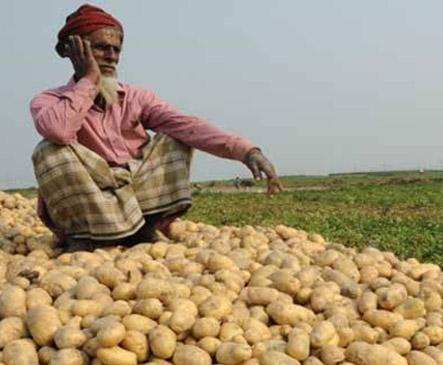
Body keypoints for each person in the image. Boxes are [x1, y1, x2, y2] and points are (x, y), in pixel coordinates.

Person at [30, 4, 283, 251]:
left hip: (137, 192)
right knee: (49, 150)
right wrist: (88, 80)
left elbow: (188, 126)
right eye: (100, 48)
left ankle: (142, 229)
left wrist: (247, 151)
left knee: (176, 137)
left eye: (116, 50)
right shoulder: (50, 101)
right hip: (93, 198)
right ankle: (87, 237)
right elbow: (59, 131)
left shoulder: (136, 97)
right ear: (76, 52)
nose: (111, 56)